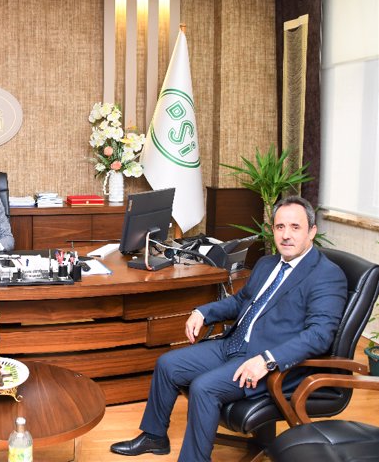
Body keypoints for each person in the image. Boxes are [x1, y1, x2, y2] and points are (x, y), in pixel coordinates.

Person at [109, 196, 347, 461]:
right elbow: (241, 301)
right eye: (280, 227)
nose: (286, 235)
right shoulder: (268, 263)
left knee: (204, 388)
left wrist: (268, 359)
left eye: (295, 227)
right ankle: (154, 437)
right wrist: (203, 312)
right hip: (234, 344)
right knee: (168, 364)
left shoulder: (326, 274)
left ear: (312, 231)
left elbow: (319, 335)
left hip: (269, 361)